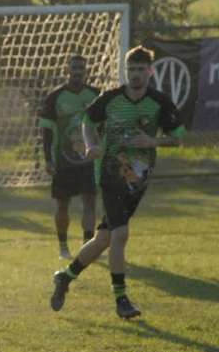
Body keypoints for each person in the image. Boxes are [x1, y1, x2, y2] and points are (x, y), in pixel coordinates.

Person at [50, 46, 186, 319]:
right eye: (131, 69)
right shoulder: (110, 99)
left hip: (138, 179)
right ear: (126, 71)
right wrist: (91, 145)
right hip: (110, 173)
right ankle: (121, 299)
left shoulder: (159, 102)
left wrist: (153, 141)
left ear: (150, 71)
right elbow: (88, 121)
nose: (136, 74)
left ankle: (65, 277)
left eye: (141, 69)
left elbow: (180, 136)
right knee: (120, 235)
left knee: (103, 239)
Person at [38, 55, 100, 259]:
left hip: (88, 159)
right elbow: (46, 131)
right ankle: (63, 247)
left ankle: (86, 246)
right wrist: (48, 158)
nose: (77, 71)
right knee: (62, 205)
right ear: (68, 70)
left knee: (90, 202)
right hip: (62, 160)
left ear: (86, 70)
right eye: (74, 67)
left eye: (81, 67)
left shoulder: (96, 95)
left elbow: (104, 127)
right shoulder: (55, 97)